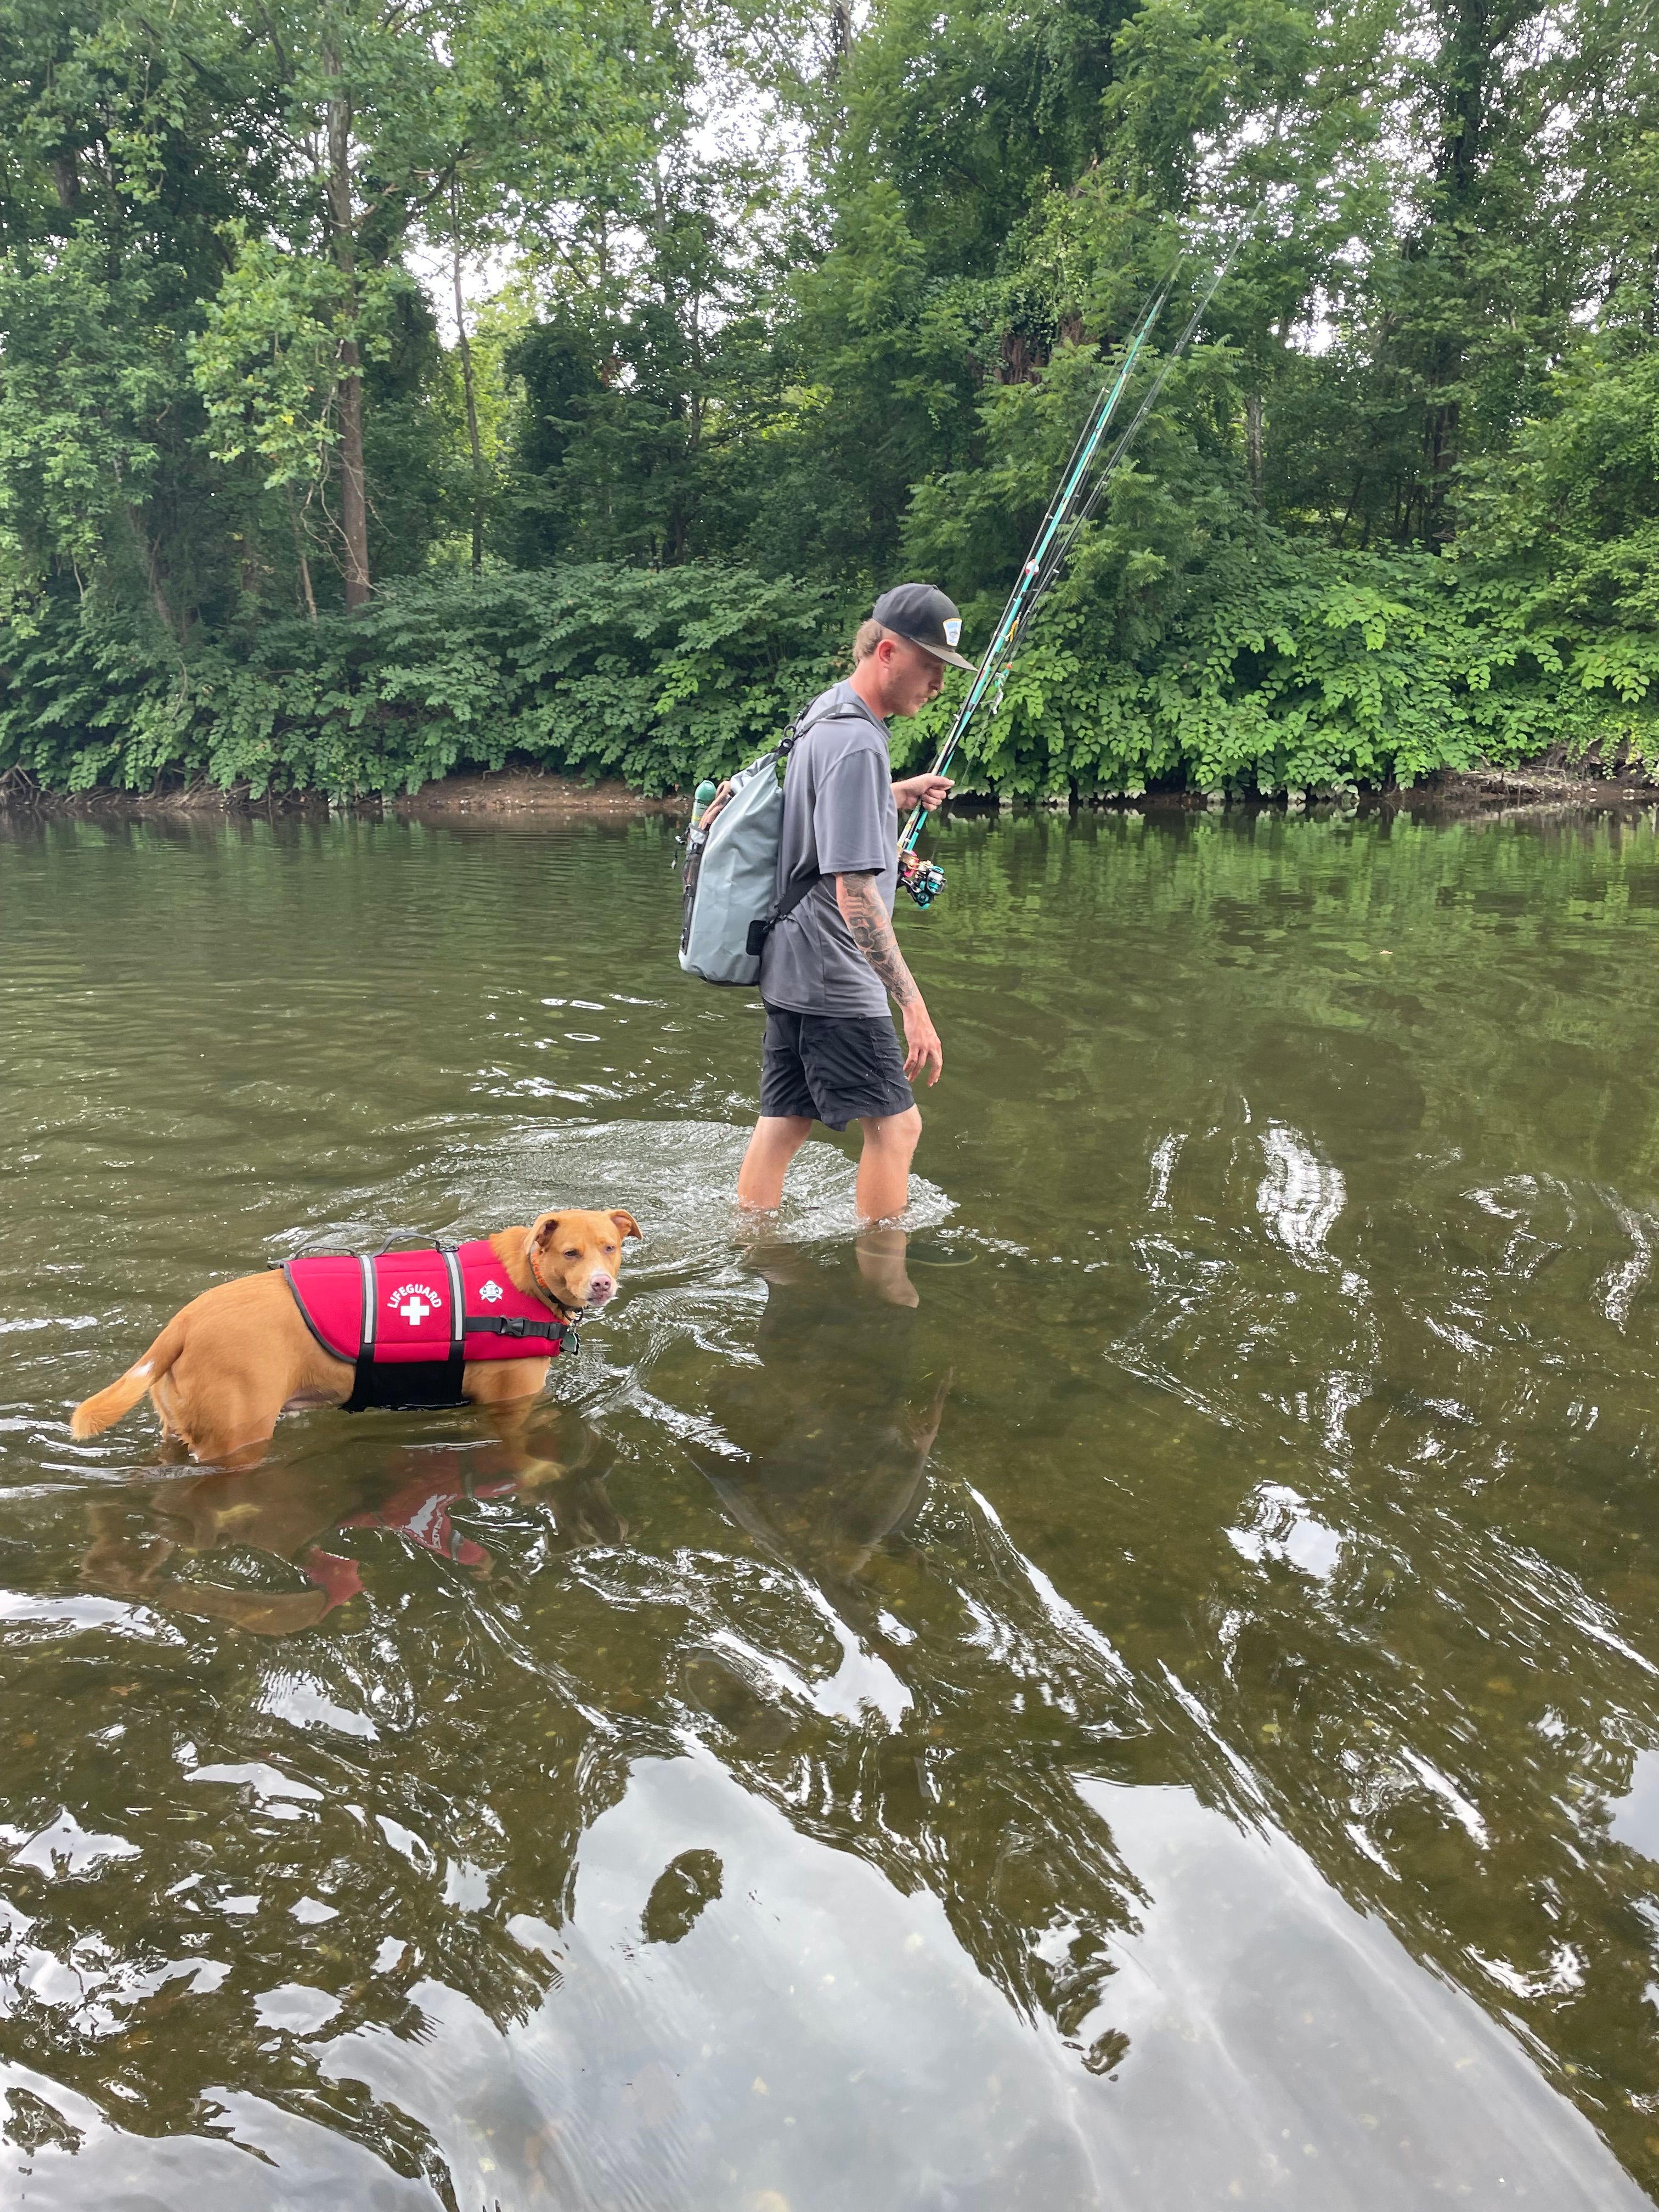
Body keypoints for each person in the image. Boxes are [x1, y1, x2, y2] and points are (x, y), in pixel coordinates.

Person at [736, 582, 967, 1223]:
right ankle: (884, 1284)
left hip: (789, 964)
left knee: (784, 1124)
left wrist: (895, 792)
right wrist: (914, 1007)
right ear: (889, 652)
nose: (939, 687)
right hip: (835, 975)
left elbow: (824, 814)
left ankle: (753, 1244)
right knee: (896, 1130)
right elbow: (856, 892)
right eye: (932, 668)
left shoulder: (828, 713)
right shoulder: (860, 742)